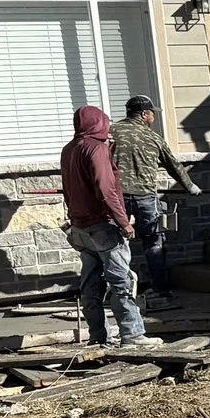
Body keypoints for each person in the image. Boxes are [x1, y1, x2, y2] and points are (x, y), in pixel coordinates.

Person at [59, 106, 158, 350]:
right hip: (102, 225)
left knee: (91, 284)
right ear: (98, 123)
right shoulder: (96, 148)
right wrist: (123, 222)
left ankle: (98, 336)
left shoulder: (70, 149)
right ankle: (132, 335)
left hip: (80, 227)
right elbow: (106, 189)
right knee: (121, 282)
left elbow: (68, 188)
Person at [110, 94, 197, 307]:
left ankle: (118, 293)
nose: (153, 118)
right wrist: (190, 187)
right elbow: (173, 165)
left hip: (116, 197)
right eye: (152, 114)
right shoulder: (153, 138)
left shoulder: (110, 132)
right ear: (145, 114)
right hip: (145, 197)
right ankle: (161, 291)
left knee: (113, 244)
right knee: (153, 243)